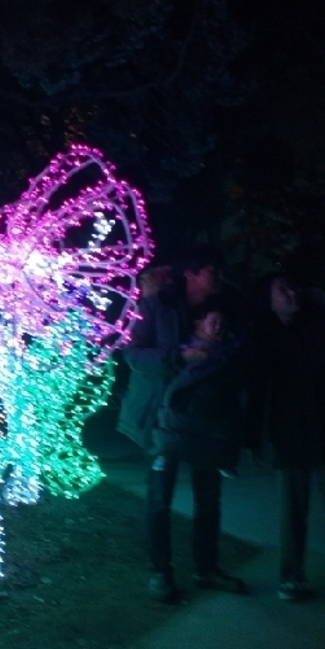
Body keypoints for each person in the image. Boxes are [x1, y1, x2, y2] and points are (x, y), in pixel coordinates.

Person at [117, 245, 246, 602]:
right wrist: (178, 356)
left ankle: (206, 568)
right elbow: (132, 354)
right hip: (163, 419)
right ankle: (160, 572)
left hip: (207, 423)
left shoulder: (222, 308)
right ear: (191, 274)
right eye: (211, 270)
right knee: (160, 498)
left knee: (209, 497)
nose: (218, 277)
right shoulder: (157, 305)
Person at [246, 272, 325, 601]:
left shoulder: (320, 325)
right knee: (293, 510)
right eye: (282, 290)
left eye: (293, 288)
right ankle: (290, 576)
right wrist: (254, 438)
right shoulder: (265, 338)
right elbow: (257, 391)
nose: (291, 294)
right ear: (268, 301)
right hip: (290, 434)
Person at [151, 295, 242, 480]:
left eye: (222, 323)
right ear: (199, 324)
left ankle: (219, 459)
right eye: (214, 322)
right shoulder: (187, 352)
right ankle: (167, 453)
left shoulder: (229, 352)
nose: (219, 328)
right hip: (183, 410)